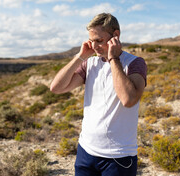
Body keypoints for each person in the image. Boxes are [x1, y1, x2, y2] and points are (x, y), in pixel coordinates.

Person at [50, 13, 147, 176]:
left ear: (115, 36)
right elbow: (56, 88)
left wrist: (113, 58)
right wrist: (80, 57)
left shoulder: (135, 63)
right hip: (86, 151)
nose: (94, 46)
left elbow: (128, 99)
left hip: (118, 157)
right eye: (91, 41)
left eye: (99, 41)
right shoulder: (90, 63)